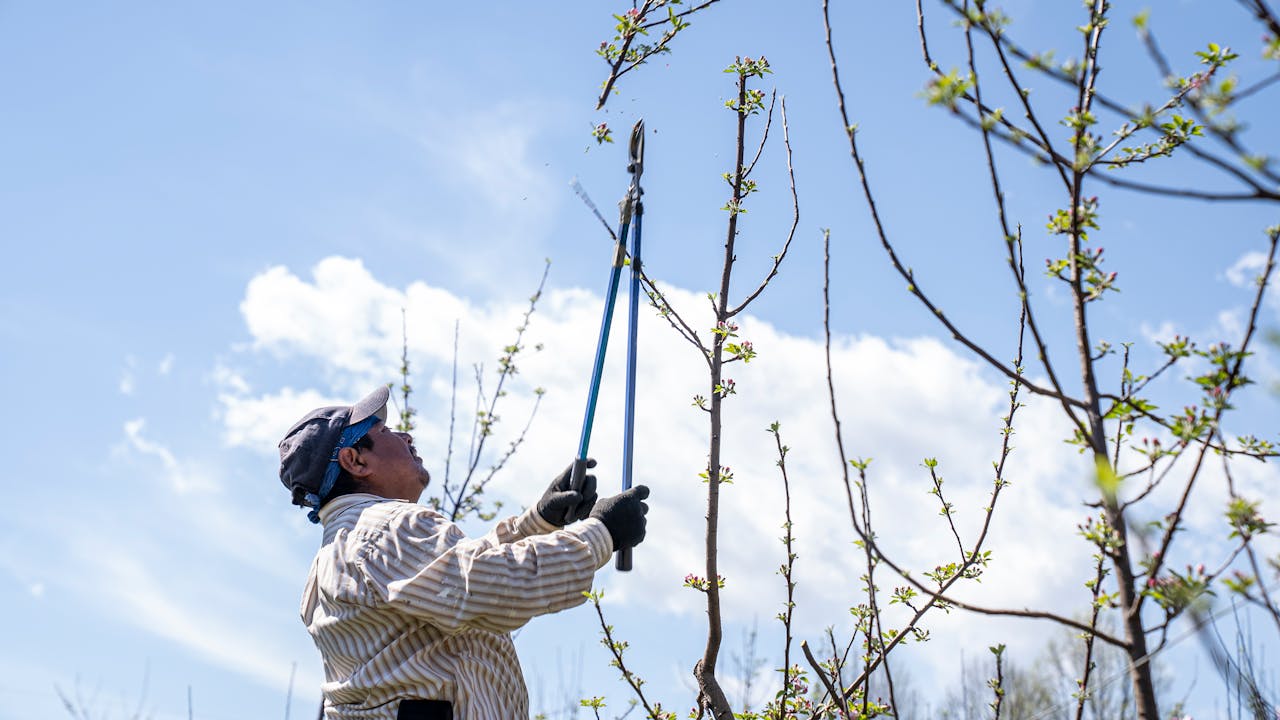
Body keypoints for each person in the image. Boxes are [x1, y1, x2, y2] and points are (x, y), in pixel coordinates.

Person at [277, 386, 651, 720]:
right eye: (384, 431)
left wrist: (538, 522)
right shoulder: (385, 528)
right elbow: (491, 588)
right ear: (355, 461)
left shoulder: (336, 556)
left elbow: (448, 583)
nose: (406, 436)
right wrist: (603, 533)